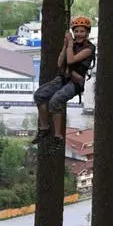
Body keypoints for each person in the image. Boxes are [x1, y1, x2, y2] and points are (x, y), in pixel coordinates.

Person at [32, 15, 96, 151]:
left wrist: (70, 45)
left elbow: (72, 60)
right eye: (76, 31)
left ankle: (58, 136)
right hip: (63, 77)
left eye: (82, 31)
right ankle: (44, 128)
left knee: (55, 100)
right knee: (39, 95)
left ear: (87, 33)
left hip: (76, 82)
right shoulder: (71, 45)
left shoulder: (89, 49)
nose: (79, 34)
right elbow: (60, 63)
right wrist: (65, 46)